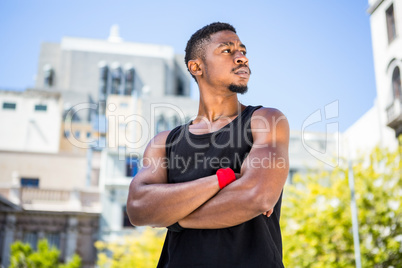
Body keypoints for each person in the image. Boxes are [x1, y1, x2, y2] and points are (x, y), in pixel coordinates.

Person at [126, 22, 289, 268]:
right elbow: (138, 208)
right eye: (227, 51)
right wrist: (221, 180)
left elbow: (256, 197)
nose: (241, 58)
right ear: (196, 66)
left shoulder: (265, 120)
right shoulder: (164, 142)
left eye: (242, 51)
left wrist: (172, 217)